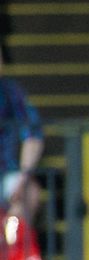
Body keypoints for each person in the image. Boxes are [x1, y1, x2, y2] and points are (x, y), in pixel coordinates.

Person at [0, 54, 42, 224]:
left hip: (7, 171)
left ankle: (13, 248)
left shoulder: (11, 93)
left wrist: (23, 179)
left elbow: (33, 134)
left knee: (30, 193)